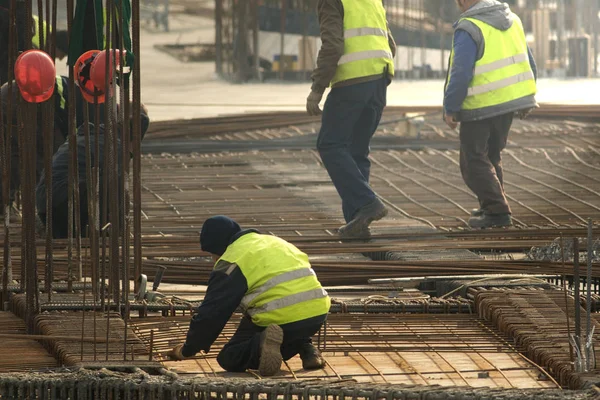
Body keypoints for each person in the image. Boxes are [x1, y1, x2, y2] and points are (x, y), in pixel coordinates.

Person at [167, 216, 330, 377]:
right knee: (284, 325)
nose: (213, 259)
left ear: (219, 247)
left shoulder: (231, 260)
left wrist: (187, 350)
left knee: (229, 356)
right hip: (317, 314)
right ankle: (307, 349)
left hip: (280, 316)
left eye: (212, 254)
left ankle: (261, 345)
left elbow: (212, 314)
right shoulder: (274, 241)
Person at [306, 0, 396, 239]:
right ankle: (358, 222)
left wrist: (318, 88)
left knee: (330, 144)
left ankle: (367, 203)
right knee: (357, 151)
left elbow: (333, 45)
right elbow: (390, 43)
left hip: (352, 83)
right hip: (379, 80)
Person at [443, 0, 537, 229]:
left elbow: (460, 72)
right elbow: (528, 61)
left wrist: (451, 107)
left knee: (472, 160)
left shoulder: (469, 27)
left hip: (480, 105)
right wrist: (528, 97)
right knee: (492, 155)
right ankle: (491, 204)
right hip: (508, 104)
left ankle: (497, 211)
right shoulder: (513, 20)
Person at [35, 103, 149, 238]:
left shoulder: (90, 136)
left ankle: (64, 231)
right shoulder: (115, 147)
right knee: (113, 187)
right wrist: (121, 232)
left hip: (45, 205)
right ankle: (90, 232)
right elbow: (117, 193)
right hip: (65, 205)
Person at [0, 75, 105, 210]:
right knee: (46, 161)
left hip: (17, 95)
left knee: (15, 156)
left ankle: (8, 202)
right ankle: (42, 206)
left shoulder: (90, 97)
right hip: (28, 100)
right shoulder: (99, 111)